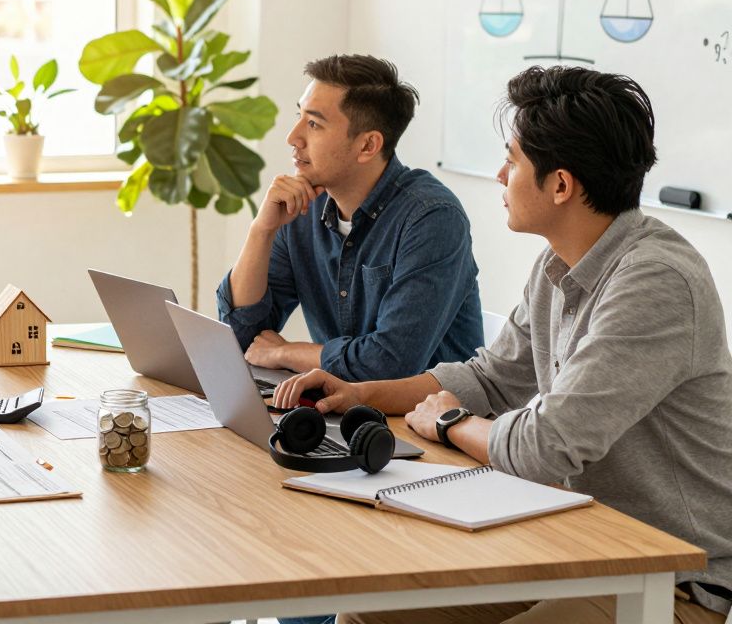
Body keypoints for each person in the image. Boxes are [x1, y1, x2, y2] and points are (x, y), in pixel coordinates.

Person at [273, 67, 732, 623]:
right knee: (367, 613)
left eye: (512, 161)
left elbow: (545, 446)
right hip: (566, 540)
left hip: (665, 576)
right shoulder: (557, 263)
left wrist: (449, 423)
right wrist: (360, 393)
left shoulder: (655, 281)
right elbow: (491, 377)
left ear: (561, 185)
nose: (498, 175)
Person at [218, 54, 482, 383]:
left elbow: (390, 362)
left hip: (421, 423)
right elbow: (242, 337)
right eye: (299, 116)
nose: (293, 137)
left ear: (368, 145)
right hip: (341, 410)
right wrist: (261, 230)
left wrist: (287, 352)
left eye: (313, 124)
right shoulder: (302, 207)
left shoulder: (432, 219)